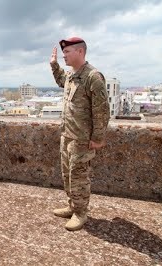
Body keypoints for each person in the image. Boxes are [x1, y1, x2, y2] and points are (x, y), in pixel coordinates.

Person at [50, 37, 110, 231]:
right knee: (67, 174)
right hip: (67, 135)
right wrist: (54, 66)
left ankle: (81, 213)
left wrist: (98, 138)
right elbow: (61, 81)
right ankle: (72, 206)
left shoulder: (93, 76)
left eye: (67, 52)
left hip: (82, 139)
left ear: (80, 52)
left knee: (79, 177)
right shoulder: (70, 75)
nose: (64, 56)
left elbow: (101, 111)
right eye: (63, 52)